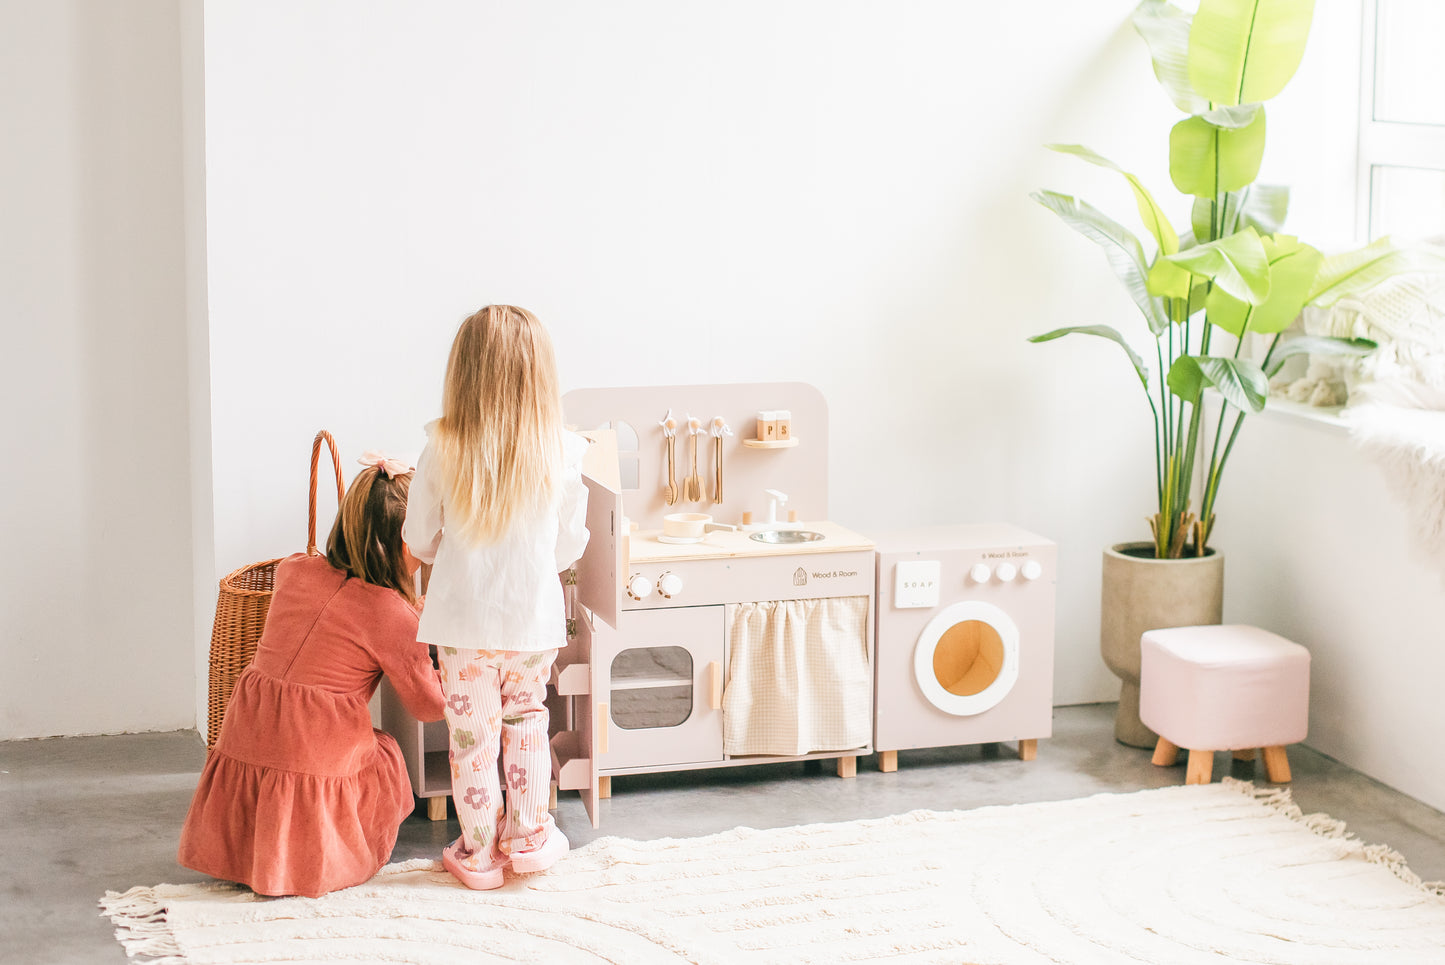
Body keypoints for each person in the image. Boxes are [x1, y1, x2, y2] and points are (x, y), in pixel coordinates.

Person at [178, 455, 445, 898]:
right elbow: (429, 706)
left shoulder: (293, 571)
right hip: (312, 739)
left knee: (295, 753)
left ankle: (253, 850)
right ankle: (314, 855)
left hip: (248, 730)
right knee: (388, 756)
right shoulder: (394, 617)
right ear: (404, 544)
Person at [404, 304, 589, 890]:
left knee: (471, 735)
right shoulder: (564, 451)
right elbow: (569, 546)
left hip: (462, 625)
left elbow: (418, 538)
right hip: (532, 621)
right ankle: (531, 838)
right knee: (528, 720)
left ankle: (479, 852)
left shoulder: (441, 447)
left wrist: (452, 557)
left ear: (464, 372)